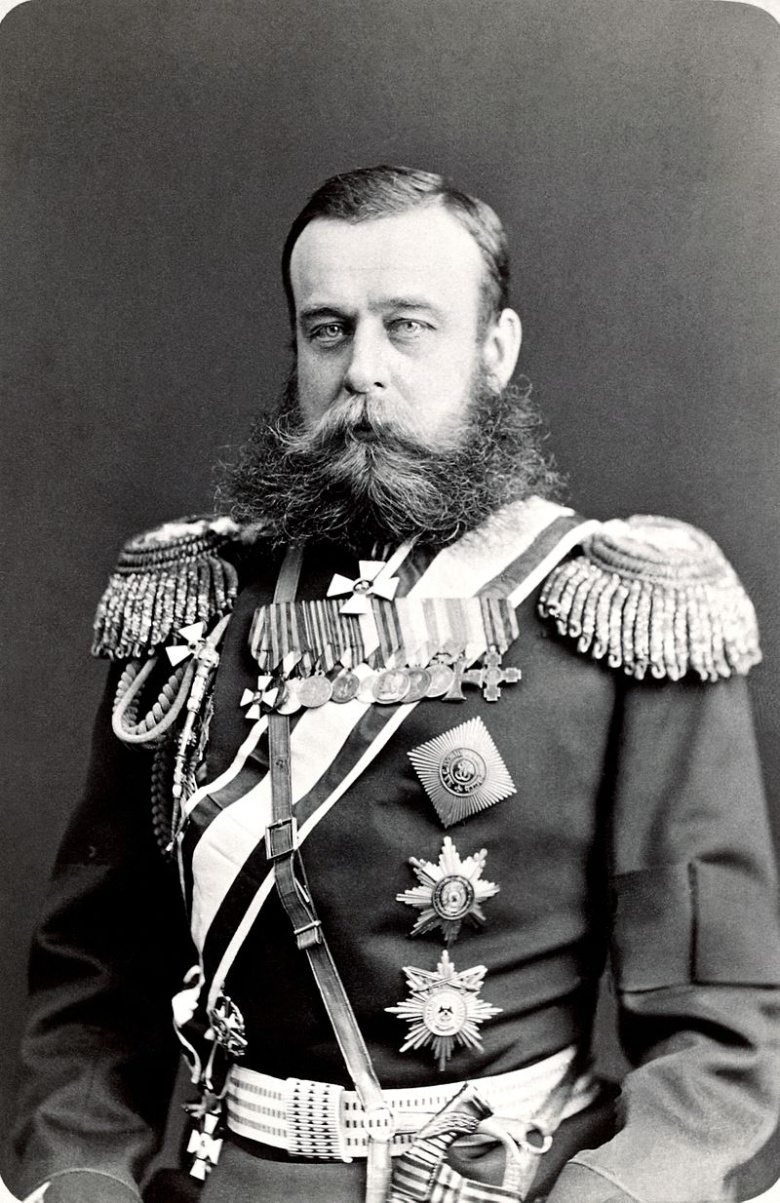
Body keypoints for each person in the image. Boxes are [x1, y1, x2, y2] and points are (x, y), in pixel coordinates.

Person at [11, 166, 780, 1203]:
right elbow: (93, 987)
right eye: (329, 330)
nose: (362, 371)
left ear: (495, 350)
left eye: (408, 326)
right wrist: (82, 1183)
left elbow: (719, 1037)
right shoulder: (196, 604)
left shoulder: (620, 617)